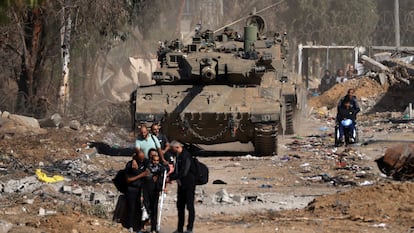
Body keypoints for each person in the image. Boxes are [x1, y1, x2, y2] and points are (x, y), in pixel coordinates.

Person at [169, 141, 196, 233]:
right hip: (181, 185)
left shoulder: (186, 156)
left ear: (177, 147)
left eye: (172, 149)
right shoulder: (178, 156)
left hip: (188, 185)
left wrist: (172, 177)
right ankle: (180, 228)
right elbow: (177, 170)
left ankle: (189, 228)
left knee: (190, 206)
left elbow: (184, 172)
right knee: (180, 206)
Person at [143, 149, 169, 233]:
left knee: (154, 209)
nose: (155, 162)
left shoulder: (161, 168)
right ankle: (143, 225)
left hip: (156, 190)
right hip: (147, 189)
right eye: (154, 160)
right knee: (145, 207)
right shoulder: (147, 166)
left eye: (157, 160)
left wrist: (164, 187)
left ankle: (154, 228)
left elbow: (165, 177)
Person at [125, 150, 150, 233]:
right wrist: (140, 175)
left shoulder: (145, 162)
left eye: (143, 158)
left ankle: (140, 226)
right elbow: (128, 180)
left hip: (141, 189)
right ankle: (130, 226)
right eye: (140, 159)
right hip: (132, 189)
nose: (141, 160)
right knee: (131, 208)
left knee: (141, 208)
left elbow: (150, 167)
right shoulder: (130, 165)